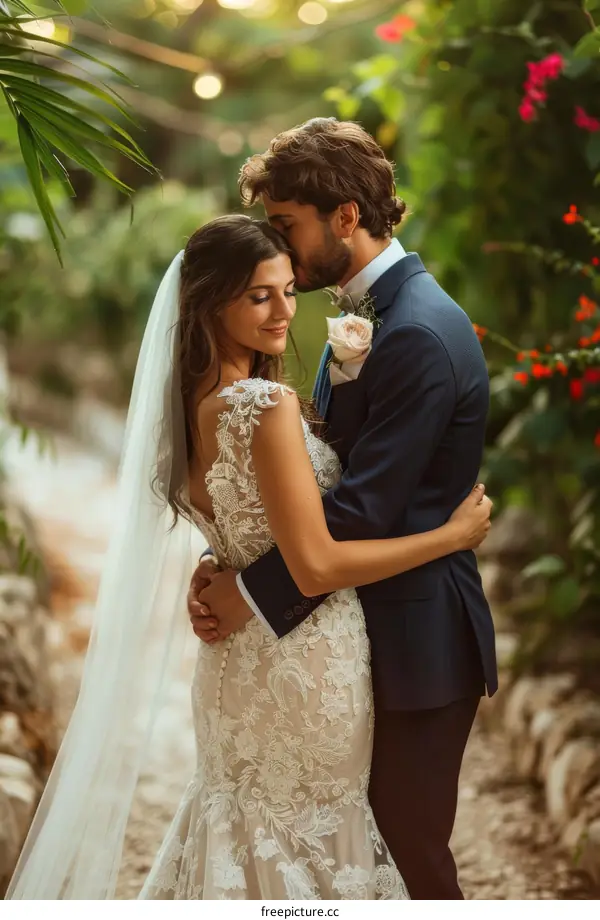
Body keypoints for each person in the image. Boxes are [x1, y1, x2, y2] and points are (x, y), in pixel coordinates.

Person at [7, 213, 491, 900]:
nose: (284, 311)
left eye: (289, 291)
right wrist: (451, 536)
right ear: (211, 301)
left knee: (237, 824)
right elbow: (317, 565)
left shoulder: (188, 405)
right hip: (306, 665)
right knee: (313, 846)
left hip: (236, 669)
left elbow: (240, 525)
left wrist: (222, 568)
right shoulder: (263, 405)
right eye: (259, 295)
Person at [188, 118, 499, 900]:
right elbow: (307, 486)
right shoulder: (362, 317)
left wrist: (247, 592)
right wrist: (225, 552)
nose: (283, 251)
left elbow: (356, 516)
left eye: (289, 227)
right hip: (355, 638)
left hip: (417, 639)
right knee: (350, 866)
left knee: (412, 863)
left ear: (347, 217)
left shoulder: (420, 332)